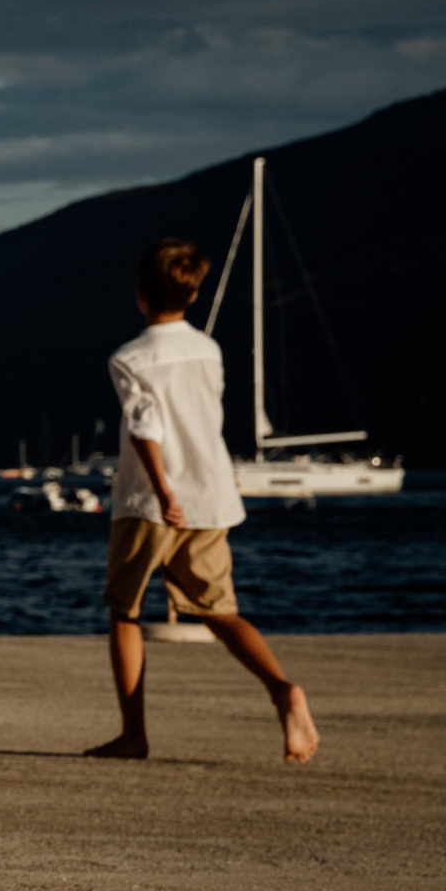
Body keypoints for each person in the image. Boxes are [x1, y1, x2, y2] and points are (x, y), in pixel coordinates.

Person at [90, 240, 318, 764]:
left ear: (140, 294)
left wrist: (163, 491)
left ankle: (133, 735)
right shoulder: (208, 349)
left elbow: (146, 428)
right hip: (211, 494)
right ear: (192, 295)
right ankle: (282, 689)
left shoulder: (129, 358)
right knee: (218, 611)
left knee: (124, 611)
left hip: (151, 502)